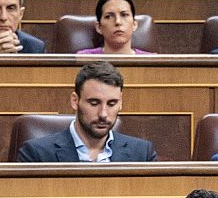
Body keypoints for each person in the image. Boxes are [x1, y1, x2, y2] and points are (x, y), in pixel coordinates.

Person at [16, 61, 158, 163]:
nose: (103, 114)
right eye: (94, 103)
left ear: (121, 102)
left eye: (111, 104)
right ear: (75, 101)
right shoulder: (37, 154)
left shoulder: (142, 154)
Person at [80, 0, 153, 56]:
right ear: (99, 27)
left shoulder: (153, 61)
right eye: (108, 16)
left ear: (134, 25)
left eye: (124, 15)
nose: (118, 22)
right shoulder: (84, 59)